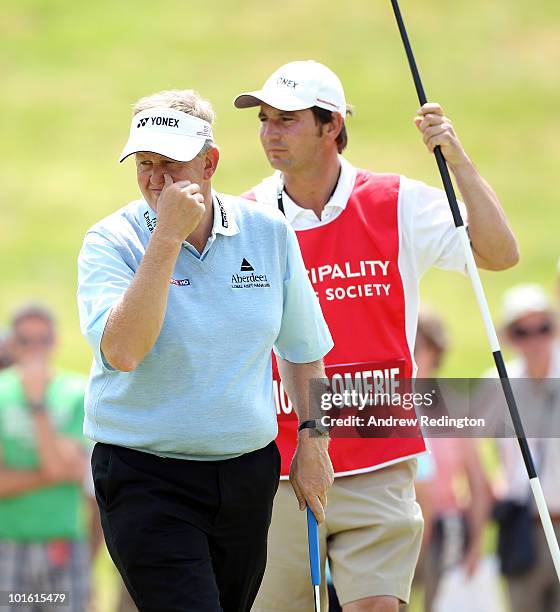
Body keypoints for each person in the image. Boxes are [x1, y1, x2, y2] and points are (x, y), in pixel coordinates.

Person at [234, 60, 519, 611]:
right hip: (279, 467)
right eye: (265, 120)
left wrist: (456, 159)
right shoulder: (246, 217)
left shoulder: (396, 202)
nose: (270, 132)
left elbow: (500, 253)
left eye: (287, 120)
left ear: (331, 125)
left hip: (380, 460)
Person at [76, 88, 334, 612]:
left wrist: (314, 439)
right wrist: (165, 241)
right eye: (144, 163)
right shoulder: (111, 242)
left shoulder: (267, 232)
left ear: (210, 162)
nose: (154, 179)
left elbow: (304, 348)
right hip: (144, 474)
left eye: (169, 163)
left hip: (246, 475)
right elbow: (124, 350)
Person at [0, 304, 91, 612]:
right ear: (13, 344)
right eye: (25, 340)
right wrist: (53, 473)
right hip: (9, 544)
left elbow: (68, 469)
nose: (34, 349)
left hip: (61, 544)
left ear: (55, 342)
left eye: (42, 340)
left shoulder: (75, 391)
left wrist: (37, 403)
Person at [484, 284, 560, 612]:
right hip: (524, 528)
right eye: (522, 331)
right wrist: (496, 484)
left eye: (542, 328)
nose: (534, 340)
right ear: (510, 336)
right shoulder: (498, 384)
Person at [414, 309, 492, 612]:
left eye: (417, 346)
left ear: (435, 351)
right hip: (395, 525)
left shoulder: (455, 407)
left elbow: (477, 481)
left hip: (444, 532)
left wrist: (476, 545)